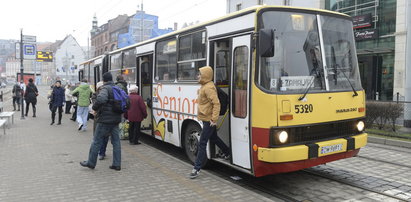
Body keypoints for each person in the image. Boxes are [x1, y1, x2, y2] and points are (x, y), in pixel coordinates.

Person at [189, 66, 230, 179]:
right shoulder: (204, 86)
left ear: (205, 76)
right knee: (214, 138)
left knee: (202, 142)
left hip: (209, 120)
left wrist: (214, 120)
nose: (197, 76)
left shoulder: (208, 88)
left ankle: (196, 168)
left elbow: (216, 104)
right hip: (206, 118)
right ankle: (227, 151)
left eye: (200, 74)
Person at [80, 72, 122, 171]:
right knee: (116, 142)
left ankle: (91, 162)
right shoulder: (117, 88)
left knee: (96, 141)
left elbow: (101, 99)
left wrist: (94, 108)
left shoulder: (105, 88)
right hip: (116, 119)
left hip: (105, 120)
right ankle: (117, 164)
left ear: (104, 80)